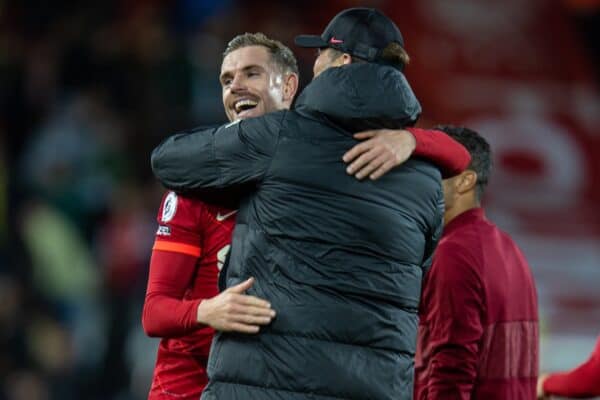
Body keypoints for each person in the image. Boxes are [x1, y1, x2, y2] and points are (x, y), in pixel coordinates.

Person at [151, 8, 469, 399]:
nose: (315, 62)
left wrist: (243, 144)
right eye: (227, 79)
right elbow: (420, 275)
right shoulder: (425, 178)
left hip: (265, 385)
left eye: (321, 53)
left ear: (343, 61)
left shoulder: (278, 139)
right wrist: (419, 142)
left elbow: (168, 160)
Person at [414, 126, 539, 400]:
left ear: (464, 181)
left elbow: (451, 366)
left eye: (430, 168)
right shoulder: (509, 249)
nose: (416, 178)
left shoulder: (454, 252)